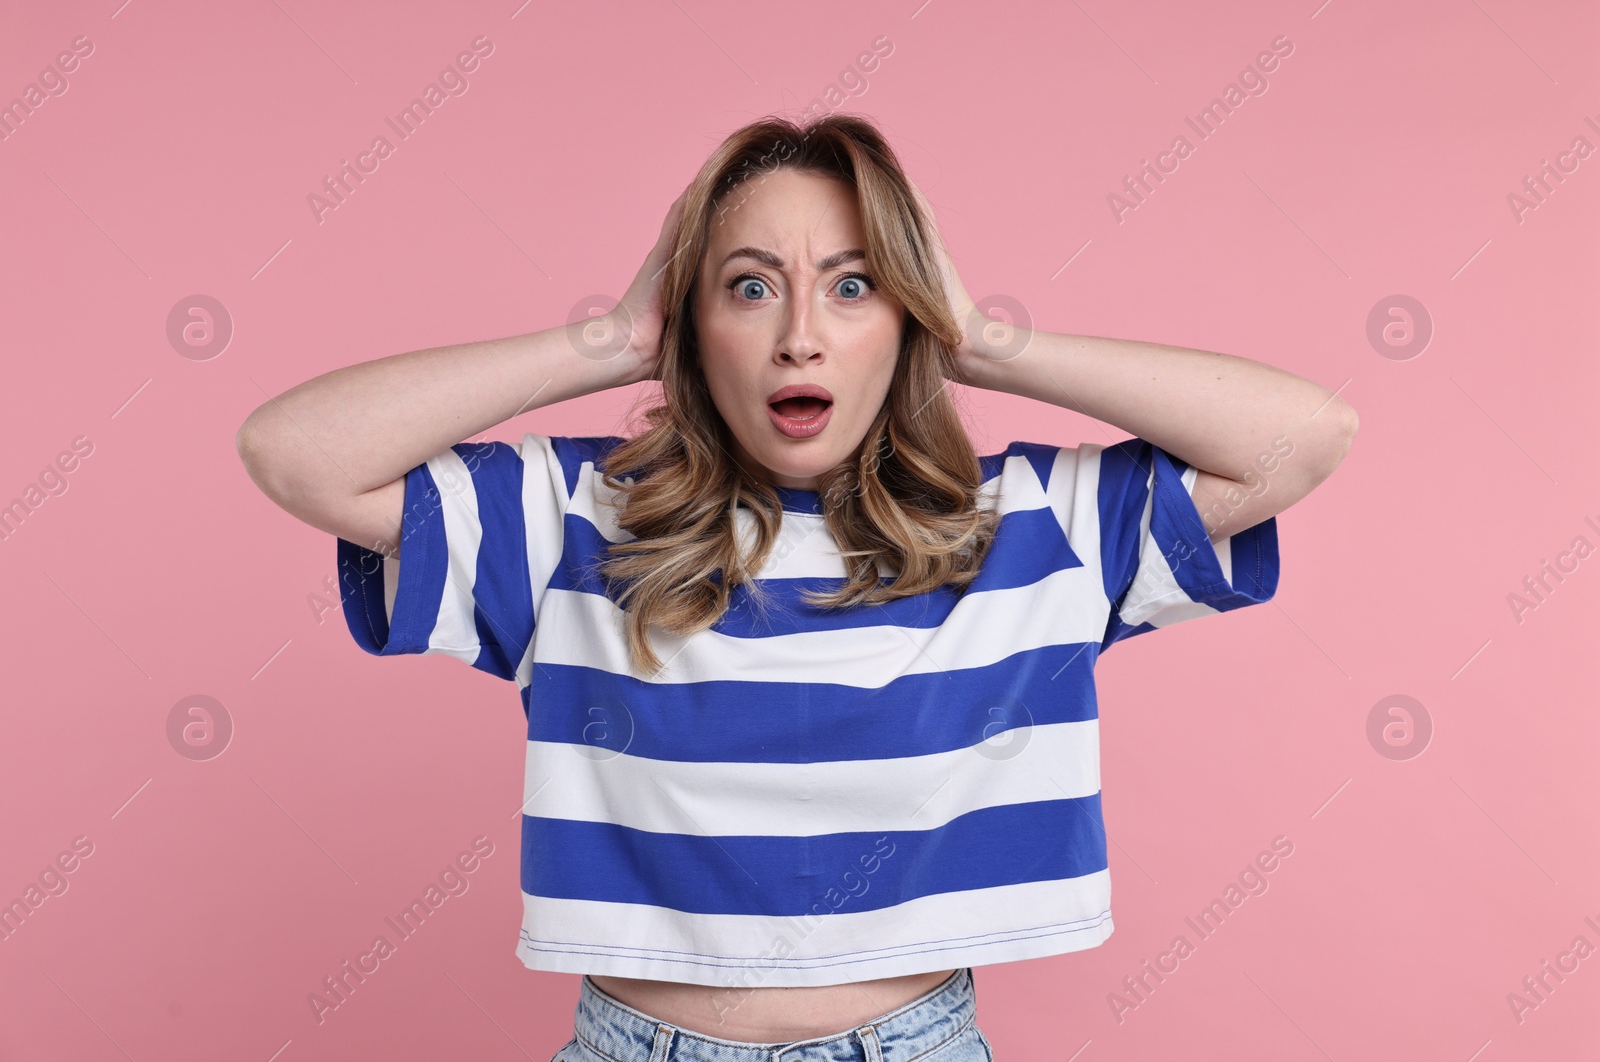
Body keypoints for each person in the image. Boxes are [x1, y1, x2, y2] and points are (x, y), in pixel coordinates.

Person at [236, 113, 1358, 1061]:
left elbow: (1303, 438)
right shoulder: (573, 521)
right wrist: (611, 338)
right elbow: (296, 453)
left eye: (855, 285)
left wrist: (985, 340)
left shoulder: (1027, 528)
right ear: (694, 324)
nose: (800, 338)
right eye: (750, 286)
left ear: (905, 319)